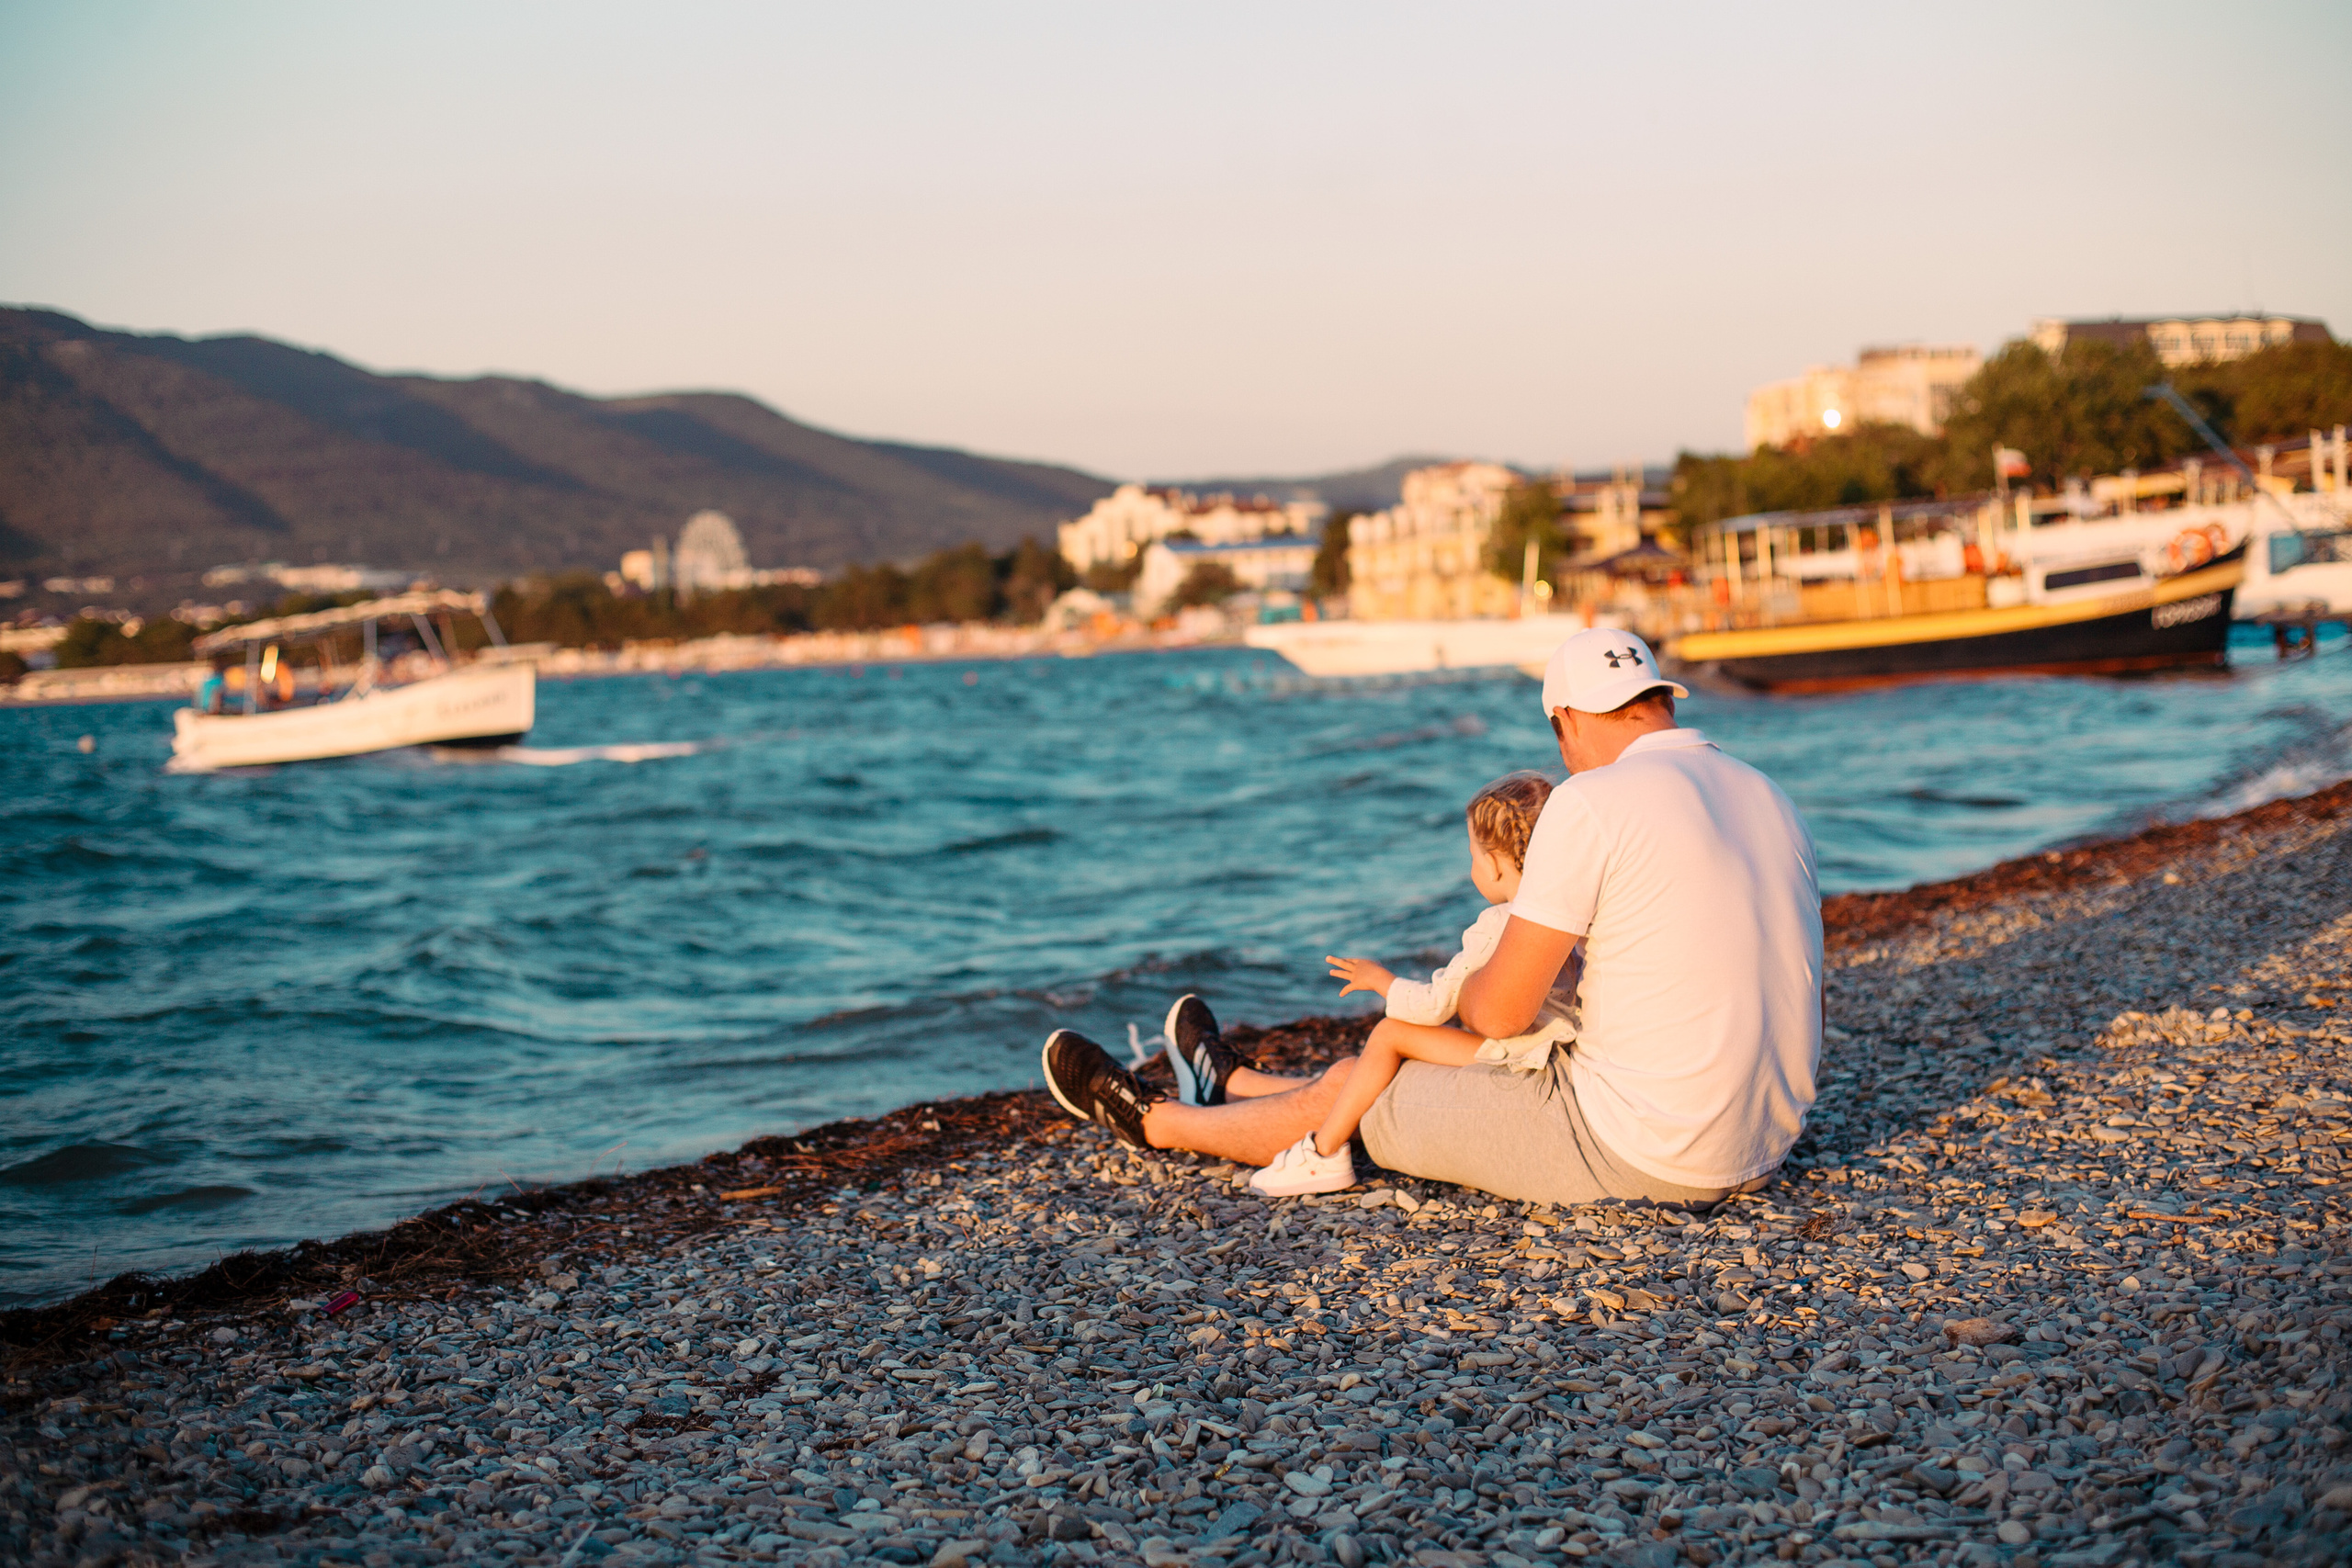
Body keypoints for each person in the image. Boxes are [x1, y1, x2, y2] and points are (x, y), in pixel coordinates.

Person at [1038, 626, 1822, 1210]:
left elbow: (1502, 1013)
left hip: (1647, 1152)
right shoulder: (1767, 793)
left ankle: (1160, 1122)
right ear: (1659, 702)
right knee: (1409, 1064)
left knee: (1361, 1083)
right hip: (1766, 1141)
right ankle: (1230, 1081)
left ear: (1569, 720)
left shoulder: (1594, 799)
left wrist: (1474, 983)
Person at [1242, 771, 1577, 1197]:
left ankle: (1323, 1154)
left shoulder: (1497, 926)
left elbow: (1435, 1005)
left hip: (1522, 1055)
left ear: (1493, 865)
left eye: (1473, 856)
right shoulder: (1574, 913)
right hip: (1561, 1050)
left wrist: (1382, 982)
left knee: (1390, 1034)